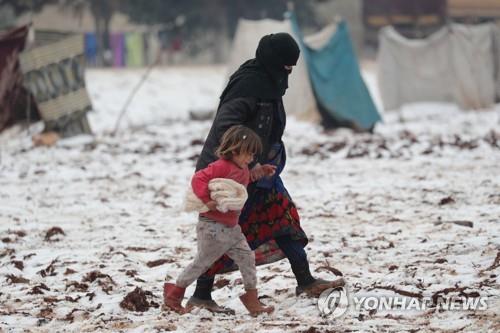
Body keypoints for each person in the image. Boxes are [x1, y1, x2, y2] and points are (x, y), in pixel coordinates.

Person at [184, 32, 345, 314]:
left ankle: (305, 280)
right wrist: (246, 166)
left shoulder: (268, 83)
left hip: (260, 176)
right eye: (286, 66)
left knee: (283, 219)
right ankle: (200, 294)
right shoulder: (249, 87)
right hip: (231, 180)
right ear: (274, 62)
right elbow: (226, 131)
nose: (289, 73)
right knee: (222, 235)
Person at [163, 125, 275, 316]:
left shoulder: (244, 168)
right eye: (248, 154)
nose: (250, 159)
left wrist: (262, 171)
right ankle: (174, 294)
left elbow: (245, 180)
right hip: (212, 227)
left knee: (247, 258)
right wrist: (207, 200)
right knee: (202, 262)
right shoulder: (221, 166)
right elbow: (198, 179)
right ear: (234, 149)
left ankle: (251, 298)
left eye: (253, 156)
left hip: (232, 228)